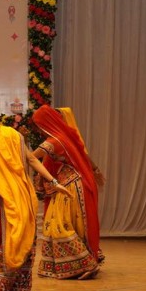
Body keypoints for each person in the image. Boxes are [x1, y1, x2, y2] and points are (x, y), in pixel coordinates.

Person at [0, 99, 70, 291]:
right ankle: (18, 287)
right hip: (21, 192)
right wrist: (53, 181)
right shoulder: (13, 134)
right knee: (20, 234)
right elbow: (32, 160)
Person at [32, 104, 106, 280]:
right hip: (75, 184)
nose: (38, 130)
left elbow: (30, 157)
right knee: (72, 225)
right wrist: (95, 170)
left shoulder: (53, 141)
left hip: (69, 187)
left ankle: (86, 264)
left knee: (57, 226)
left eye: (38, 126)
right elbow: (85, 156)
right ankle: (82, 263)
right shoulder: (66, 137)